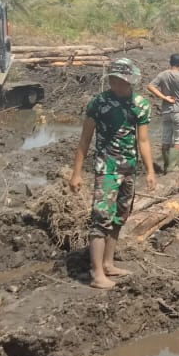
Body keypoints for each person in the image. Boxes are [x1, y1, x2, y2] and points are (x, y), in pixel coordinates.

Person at [69, 58, 157, 290]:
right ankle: (96, 273)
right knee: (101, 218)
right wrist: (76, 173)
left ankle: (108, 263)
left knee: (120, 216)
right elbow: (85, 140)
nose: (117, 84)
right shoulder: (98, 103)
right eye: (114, 79)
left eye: (122, 81)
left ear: (131, 82)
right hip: (106, 169)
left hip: (129, 168)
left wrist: (150, 170)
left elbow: (144, 140)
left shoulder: (140, 104)